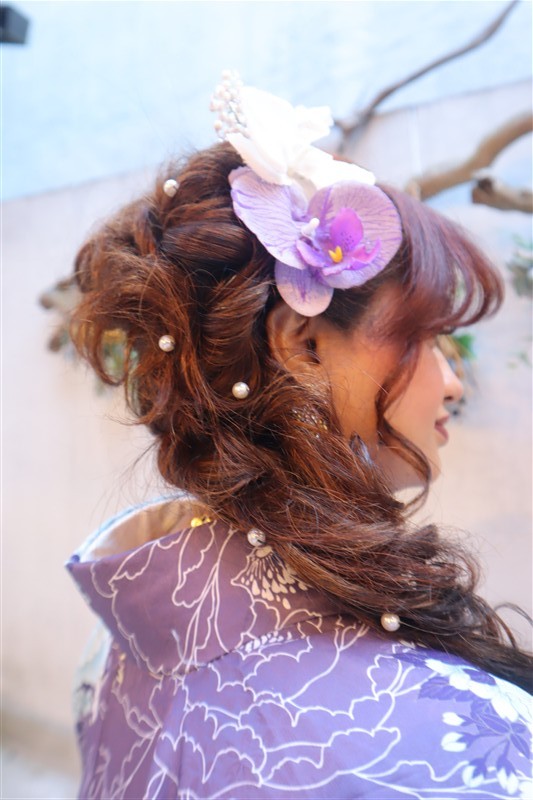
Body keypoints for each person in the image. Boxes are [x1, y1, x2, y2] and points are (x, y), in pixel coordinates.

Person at [67, 73, 532, 799]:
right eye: (423, 337)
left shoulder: (125, 644)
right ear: (302, 346)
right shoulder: (450, 746)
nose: (451, 381)